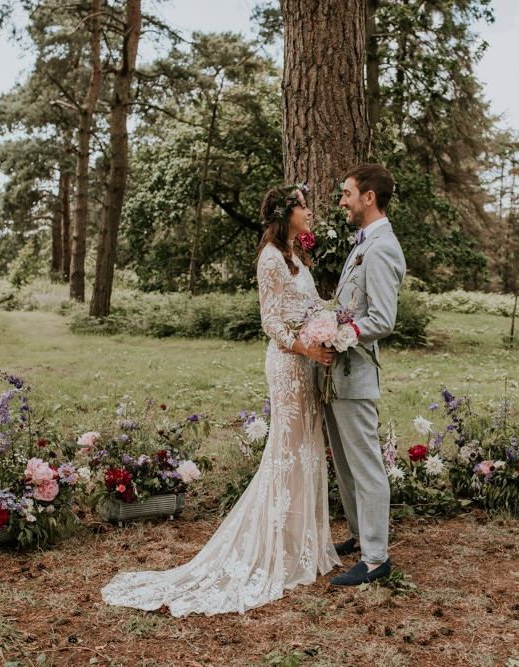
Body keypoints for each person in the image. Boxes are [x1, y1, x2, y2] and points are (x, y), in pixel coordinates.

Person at [100, 184, 340, 617]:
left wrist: (333, 321)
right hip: (287, 366)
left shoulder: (299, 256)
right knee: (287, 453)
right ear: (287, 213)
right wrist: (305, 348)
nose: (311, 212)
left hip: (306, 363)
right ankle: (273, 549)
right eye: (304, 206)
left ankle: (300, 544)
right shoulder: (270, 259)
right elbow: (270, 320)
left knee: (305, 453)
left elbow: (309, 305)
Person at [324, 163, 406, 586]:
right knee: (345, 464)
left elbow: (382, 318)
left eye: (347, 193)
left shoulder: (383, 247)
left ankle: (376, 558)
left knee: (366, 466)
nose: (342, 201)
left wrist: (341, 332)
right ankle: (359, 536)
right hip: (338, 375)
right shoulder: (363, 244)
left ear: (368, 197)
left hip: (355, 375)